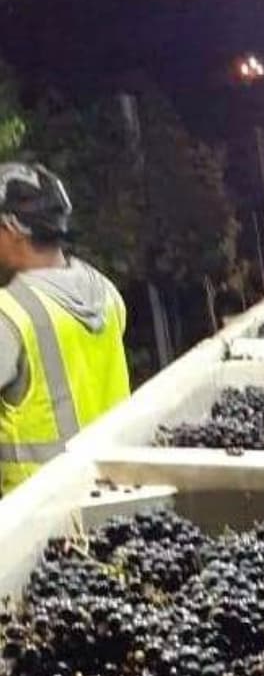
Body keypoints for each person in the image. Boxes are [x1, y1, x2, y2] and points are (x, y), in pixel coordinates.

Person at [0, 162, 129, 493]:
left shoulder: (10, 314)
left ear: (12, 228)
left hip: (41, 519)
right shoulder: (106, 292)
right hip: (117, 491)